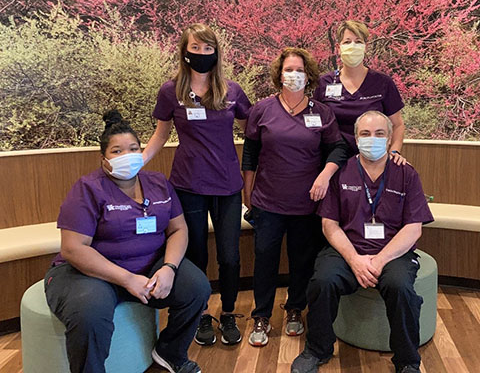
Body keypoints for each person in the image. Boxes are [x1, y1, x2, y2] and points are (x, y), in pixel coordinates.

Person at [44, 110, 210, 373]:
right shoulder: (88, 189)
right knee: (89, 314)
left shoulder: (157, 182)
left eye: (133, 149)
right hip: (90, 273)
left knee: (197, 288)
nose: (127, 156)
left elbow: (178, 229)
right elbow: (73, 248)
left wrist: (169, 268)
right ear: (103, 160)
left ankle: (170, 352)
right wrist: (127, 279)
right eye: (117, 151)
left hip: (149, 266)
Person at [291, 110, 434, 373]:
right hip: (348, 249)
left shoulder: (406, 174)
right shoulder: (342, 172)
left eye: (380, 134)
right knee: (323, 281)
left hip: (393, 253)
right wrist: (355, 260)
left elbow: (413, 229)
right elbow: (329, 225)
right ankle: (317, 349)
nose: (373, 139)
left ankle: (407, 361)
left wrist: (379, 260)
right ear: (356, 139)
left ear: (391, 138)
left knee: (400, 287)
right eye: (365, 134)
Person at [142, 23, 251, 346]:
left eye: (208, 48)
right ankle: (201, 313)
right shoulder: (170, 91)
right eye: (196, 48)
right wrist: (133, 165)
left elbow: (253, 129)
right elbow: (160, 136)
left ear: (216, 53)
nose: (202, 54)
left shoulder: (231, 91)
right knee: (196, 253)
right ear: (184, 52)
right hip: (188, 185)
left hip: (228, 185)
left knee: (230, 256)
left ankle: (228, 312)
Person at [242, 47, 348, 347]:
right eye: (288, 70)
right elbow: (250, 152)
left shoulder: (321, 112)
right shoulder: (262, 110)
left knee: (303, 260)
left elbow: (338, 149)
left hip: (307, 204)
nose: (293, 75)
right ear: (279, 74)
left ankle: (294, 309)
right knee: (265, 260)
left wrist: (324, 175)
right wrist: (246, 190)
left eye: (299, 70)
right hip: (267, 202)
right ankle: (261, 314)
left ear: (309, 75)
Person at [314, 20, 406, 163]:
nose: (353, 46)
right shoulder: (324, 83)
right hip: (332, 162)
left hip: (372, 162)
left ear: (365, 47)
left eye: (358, 42)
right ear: (338, 47)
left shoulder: (383, 83)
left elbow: (398, 124)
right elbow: (317, 126)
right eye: (347, 42)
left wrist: (394, 151)